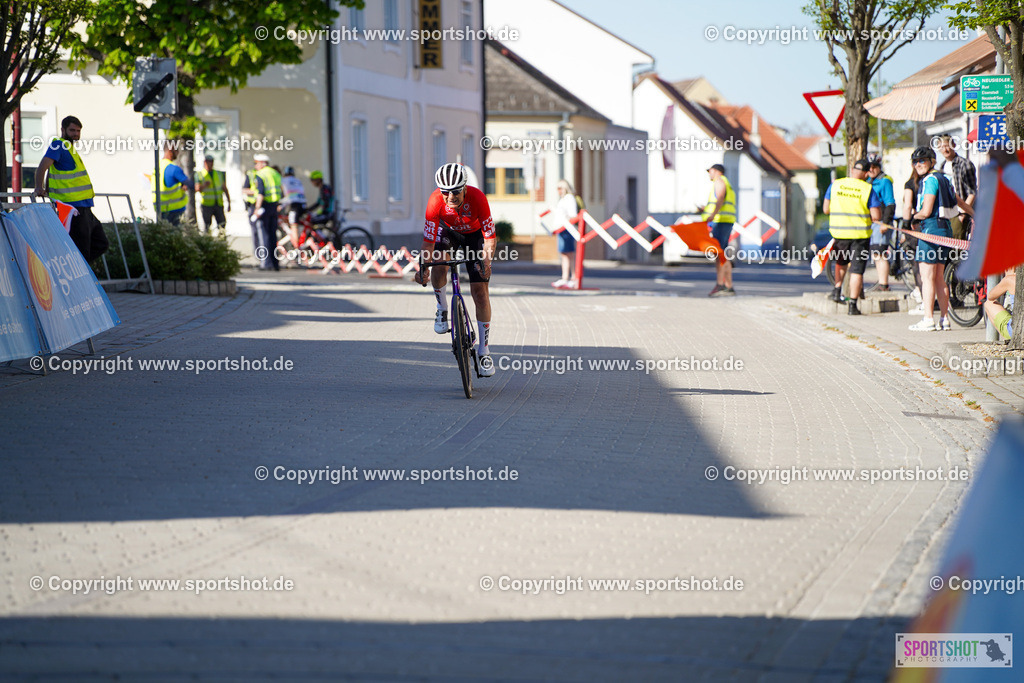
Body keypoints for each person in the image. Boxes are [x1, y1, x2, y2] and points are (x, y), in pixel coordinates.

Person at [414, 163, 496, 377]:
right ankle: (442, 309)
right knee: (438, 263)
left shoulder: (478, 198)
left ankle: (484, 352)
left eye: (455, 191)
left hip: (474, 235)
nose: (450, 196)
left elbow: (489, 238)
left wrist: (485, 262)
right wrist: (422, 268)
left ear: (465, 188)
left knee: (480, 293)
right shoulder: (434, 202)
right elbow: (428, 243)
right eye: (445, 192)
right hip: (447, 232)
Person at [34, 116, 109, 262]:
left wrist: (46, 188)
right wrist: (39, 187)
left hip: (84, 207)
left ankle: (75, 268)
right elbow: (43, 166)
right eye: (72, 130)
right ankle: (79, 274)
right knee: (83, 251)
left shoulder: (69, 148)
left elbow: (52, 172)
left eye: (78, 131)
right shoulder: (58, 145)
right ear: (63, 130)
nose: (76, 134)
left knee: (101, 243)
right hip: (73, 209)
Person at [822, 158, 883, 315]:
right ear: (866, 173)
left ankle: (836, 290)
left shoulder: (836, 185)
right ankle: (852, 306)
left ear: (852, 170)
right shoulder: (867, 189)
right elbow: (876, 216)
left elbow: (826, 209)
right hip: (860, 237)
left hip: (839, 234)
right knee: (856, 271)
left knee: (840, 263)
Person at [908, 146, 955, 331]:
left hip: (930, 229)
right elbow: (957, 201)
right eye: (915, 162)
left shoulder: (929, 180)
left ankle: (928, 319)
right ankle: (945, 319)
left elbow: (926, 210)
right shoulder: (945, 178)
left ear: (931, 162)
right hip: (945, 230)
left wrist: (914, 218)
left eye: (922, 161)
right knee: (940, 278)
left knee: (926, 277)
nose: (918, 164)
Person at [702, 163, 737, 296]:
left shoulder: (720, 182)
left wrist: (712, 214)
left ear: (716, 171)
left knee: (719, 253)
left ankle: (720, 284)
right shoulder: (726, 183)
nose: (709, 174)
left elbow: (720, 198)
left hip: (721, 221)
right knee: (722, 254)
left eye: (710, 171)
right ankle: (728, 285)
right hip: (724, 221)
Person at [937, 134, 977, 240]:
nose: (944, 149)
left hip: (959, 212)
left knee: (956, 248)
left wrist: (963, 215)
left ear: (953, 145)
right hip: (946, 213)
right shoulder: (942, 166)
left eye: (947, 146)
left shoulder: (965, 164)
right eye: (941, 147)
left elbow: (972, 192)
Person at [867, 156, 896, 290]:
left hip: (881, 223)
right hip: (873, 223)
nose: (871, 169)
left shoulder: (884, 182)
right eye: (869, 167)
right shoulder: (869, 182)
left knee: (880, 252)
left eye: (874, 167)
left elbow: (890, 203)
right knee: (875, 253)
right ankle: (881, 281)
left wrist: (885, 222)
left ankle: (884, 284)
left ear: (879, 167)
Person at [251, 154, 282, 271]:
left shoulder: (261, 174)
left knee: (264, 236)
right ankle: (275, 264)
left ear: (262, 163)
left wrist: (257, 208)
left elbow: (261, 193)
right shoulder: (275, 173)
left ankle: (266, 263)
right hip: (274, 207)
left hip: (264, 207)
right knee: (273, 236)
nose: (255, 166)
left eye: (256, 163)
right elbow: (281, 190)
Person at [152, 144, 194, 226]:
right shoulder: (173, 168)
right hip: (174, 210)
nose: (178, 153)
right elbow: (190, 184)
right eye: (176, 150)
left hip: (160, 209)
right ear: (171, 149)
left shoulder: (158, 166)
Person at [552, 179, 582, 288]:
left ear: (565, 188)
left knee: (569, 254)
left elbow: (573, 215)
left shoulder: (569, 198)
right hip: (561, 229)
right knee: (564, 254)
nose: (558, 191)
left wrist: (565, 223)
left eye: (560, 188)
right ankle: (565, 277)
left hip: (567, 229)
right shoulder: (563, 199)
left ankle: (573, 277)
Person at [903, 167, 925, 313]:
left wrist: (905, 227)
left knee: (918, 265)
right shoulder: (937, 178)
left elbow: (908, 206)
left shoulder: (911, 183)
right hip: (936, 225)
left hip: (916, 226)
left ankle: (924, 301)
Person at [196, 154, 230, 235]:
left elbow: (224, 188)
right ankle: (207, 242)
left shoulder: (218, 173)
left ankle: (222, 241)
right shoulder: (200, 174)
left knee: (222, 224)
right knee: (207, 226)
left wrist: (229, 202)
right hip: (207, 205)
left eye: (211, 162)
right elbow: (197, 188)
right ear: (205, 162)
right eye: (208, 162)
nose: (210, 164)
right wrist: (204, 185)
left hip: (218, 203)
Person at [984, 270, 1016, 340]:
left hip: (1016, 330)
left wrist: (1007, 278)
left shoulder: (1010, 279)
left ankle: (1010, 339)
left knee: (989, 303)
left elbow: (990, 296)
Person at [280, 166, 307, 248]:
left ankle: (296, 248)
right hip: (303, 204)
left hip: (294, 205)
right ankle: (296, 240)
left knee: (293, 225)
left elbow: (287, 196)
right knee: (293, 223)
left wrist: (281, 204)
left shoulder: (283, 180)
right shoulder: (297, 180)